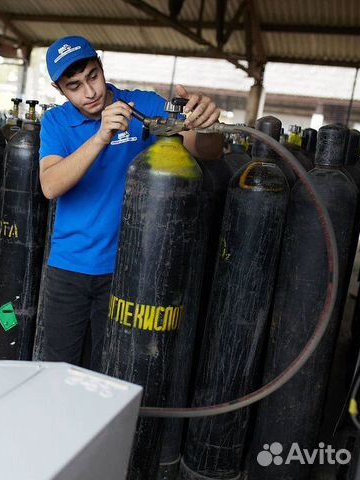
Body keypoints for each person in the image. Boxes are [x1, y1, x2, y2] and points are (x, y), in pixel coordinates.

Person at [36, 35, 222, 370]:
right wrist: (101, 136)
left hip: (128, 271)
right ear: (59, 89)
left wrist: (205, 125)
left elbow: (207, 151)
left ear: (102, 66)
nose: (89, 92)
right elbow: (50, 186)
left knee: (112, 368)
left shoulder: (143, 106)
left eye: (93, 76)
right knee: (58, 368)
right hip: (69, 268)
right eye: (74, 85)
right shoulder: (56, 123)